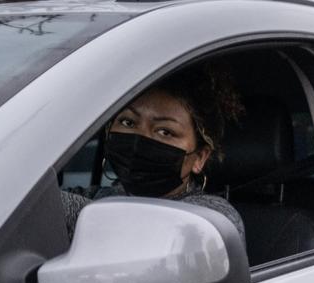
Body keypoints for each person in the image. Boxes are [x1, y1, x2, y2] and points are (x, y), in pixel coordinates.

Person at [62, 62, 245, 239]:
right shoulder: (98, 195)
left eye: (165, 132)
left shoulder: (215, 217)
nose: (139, 139)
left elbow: (137, 231)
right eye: (128, 122)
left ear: (200, 158)